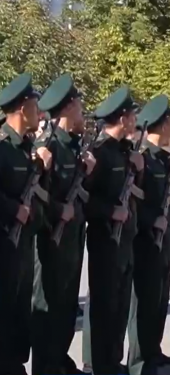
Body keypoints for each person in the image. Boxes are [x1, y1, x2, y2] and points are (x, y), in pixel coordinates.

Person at [33, 74, 93, 375]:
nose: (82, 112)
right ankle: (47, 365)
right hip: (52, 239)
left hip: (72, 237)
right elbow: (35, 192)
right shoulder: (49, 145)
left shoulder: (71, 146)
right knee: (49, 304)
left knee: (68, 303)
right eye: (79, 106)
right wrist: (59, 210)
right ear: (68, 107)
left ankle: (60, 360)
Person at [83, 85, 144, 374]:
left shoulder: (124, 152)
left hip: (126, 240)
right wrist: (110, 211)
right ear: (122, 119)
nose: (135, 121)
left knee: (120, 306)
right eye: (132, 116)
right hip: (105, 240)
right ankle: (99, 364)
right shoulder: (100, 153)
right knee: (105, 305)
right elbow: (84, 198)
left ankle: (112, 361)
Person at [127, 94, 170, 375]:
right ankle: (138, 362)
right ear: (160, 125)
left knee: (159, 299)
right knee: (144, 301)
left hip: (164, 237)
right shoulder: (143, 158)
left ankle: (153, 351)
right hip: (146, 239)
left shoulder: (162, 160)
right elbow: (135, 201)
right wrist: (151, 221)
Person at [0, 74, 44, 375]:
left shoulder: (27, 149)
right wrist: (13, 208)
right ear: (20, 108)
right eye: (34, 105)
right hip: (4, 246)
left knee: (19, 314)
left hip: (25, 245)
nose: (38, 112)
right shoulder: (2, 148)